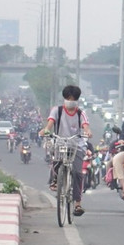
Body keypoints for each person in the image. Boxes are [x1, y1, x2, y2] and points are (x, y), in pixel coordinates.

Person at [39, 85, 93, 215]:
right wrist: (45, 130)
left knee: (77, 173)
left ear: (77, 100)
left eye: (73, 99)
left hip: (76, 144)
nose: (71, 101)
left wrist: (88, 131)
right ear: (64, 98)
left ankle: (77, 204)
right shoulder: (56, 111)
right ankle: (55, 180)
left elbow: (85, 126)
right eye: (68, 98)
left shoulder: (81, 113)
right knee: (56, 161)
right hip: (60, 142)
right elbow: (50, 124)